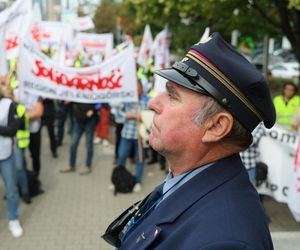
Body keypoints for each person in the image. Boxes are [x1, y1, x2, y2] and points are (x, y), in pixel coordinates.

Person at [103, 33, 274, 249]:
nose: (153, 103)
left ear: (216, 126)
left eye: (172, 95)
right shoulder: (191, 179)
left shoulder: (226, 241)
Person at [0, 85, 24, 237]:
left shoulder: (9, 105)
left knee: (11, 190)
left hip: (6, 155)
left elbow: (13, 130)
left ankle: (13, 219)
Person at [60, 102, 98, 175]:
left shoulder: (94, 91)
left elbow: (100, 104)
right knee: (73, 143)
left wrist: (93, 110)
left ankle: (88, 166)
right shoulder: (76, 91)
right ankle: (72, 165)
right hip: (78, 120)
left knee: (89, 144)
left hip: (90, 121)